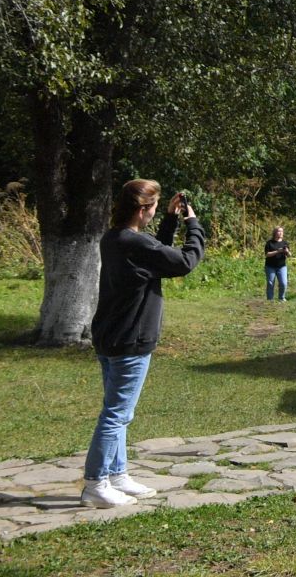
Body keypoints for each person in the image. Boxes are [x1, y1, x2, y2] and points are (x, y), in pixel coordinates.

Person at [82, 180, 204, 508]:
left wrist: (169, 219)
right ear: (141, 209)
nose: (153, 214)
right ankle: (95, 483)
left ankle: (117, 474)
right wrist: (193, 225)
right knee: (116, 414)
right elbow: (183, 262)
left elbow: (156, 257)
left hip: (110, 336)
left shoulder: (116, 239)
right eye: (153, 209)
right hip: (130, 339)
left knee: (121, 412)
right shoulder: (134, 244)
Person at [264, 226, 290, 301]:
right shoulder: (269, 243)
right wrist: (277, 251)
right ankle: (270, 299)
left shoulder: (285, 243)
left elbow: (289, 255)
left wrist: (287, 251)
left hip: (282, 266)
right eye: (279, 231)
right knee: (270, 283)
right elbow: (267, 254)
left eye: (282, 231)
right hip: (270, 266)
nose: (281, 233)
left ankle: (281, 298)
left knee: (283, 283)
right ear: (275, 233)